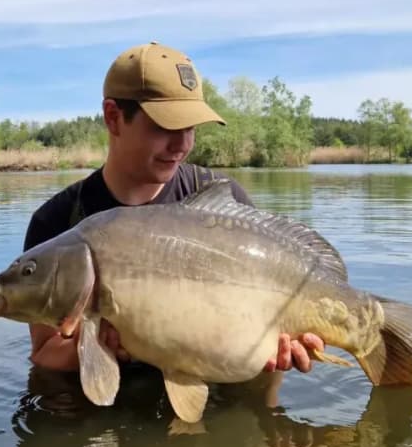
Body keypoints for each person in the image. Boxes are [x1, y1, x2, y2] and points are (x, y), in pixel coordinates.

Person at [22, 40, 324, 376]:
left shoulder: (221, 199)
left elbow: (270, 328)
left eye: (191, 128)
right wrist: (99, 347)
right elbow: (45, 351)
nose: (182, 145)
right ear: (113, 117)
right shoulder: (57, 224)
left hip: (218, 392)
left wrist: (284, 351)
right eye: (164, 127)